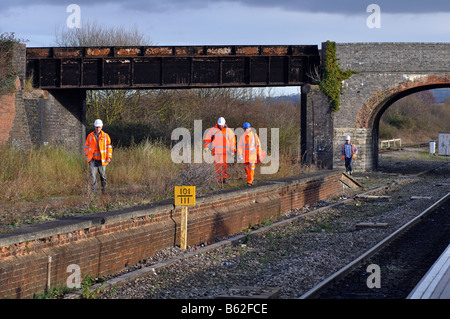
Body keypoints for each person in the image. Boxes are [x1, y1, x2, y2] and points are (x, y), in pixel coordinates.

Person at [204, 117, 236, 184]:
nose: (221, 126)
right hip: (216, 151)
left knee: (224, 165)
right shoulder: (212, 130)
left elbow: (232, 142)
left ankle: (224, 178)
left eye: (222, 124)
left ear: (224, 123)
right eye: (220, 124)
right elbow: (207, 138)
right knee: (217, 166)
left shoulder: (229, 131)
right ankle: (219, 179)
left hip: (225, 152)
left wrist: (232, 151)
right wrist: (206, 147)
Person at [84, 119, 113, 193]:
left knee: (103, 176)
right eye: (96, 127)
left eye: (99, 127)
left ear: (101, 127)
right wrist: (88, 156)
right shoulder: (90, 136)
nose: (97, 128)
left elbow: (109, 147)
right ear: (94, 127)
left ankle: (104, 191)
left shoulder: (106, 136)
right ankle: (94, 193)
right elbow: (86, 146)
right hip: (93, 160)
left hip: (102, 160)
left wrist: (109, 157)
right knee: (93, 177)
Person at [237, 122, 262, 187]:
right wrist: (239, 154)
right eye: (245, 128)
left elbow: (258, 145)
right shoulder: (242, 137)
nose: (246, 129)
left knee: (251, 169)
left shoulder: (254, 135)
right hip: (245, 157)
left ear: (250, 128)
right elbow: (239, 146)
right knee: (247, 169)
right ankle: (251, 179)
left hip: (252, 156)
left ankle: (249, 182)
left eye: (247, 128)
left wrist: (259, 154)